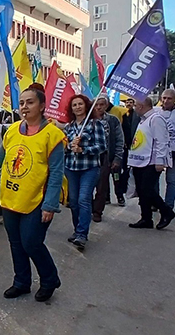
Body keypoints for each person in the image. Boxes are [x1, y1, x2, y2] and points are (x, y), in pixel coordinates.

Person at [0, 88, 63, 302]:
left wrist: (50, 204)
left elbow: (57, 172)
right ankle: (21, 282)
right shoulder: (11, 131)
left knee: (31, 242)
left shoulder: (53, 135)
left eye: (30, 102)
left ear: (41, 106)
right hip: (10, 197)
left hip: (37, 200)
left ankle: (50, 279)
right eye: (22, 103)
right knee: (16, 243)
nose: (24, 107)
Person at [63, 95, 107, 250]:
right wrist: (69, 147)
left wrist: (83, 150)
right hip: (71, 168)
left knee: (83, 200)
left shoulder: (96, 125)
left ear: (86, 106)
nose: (77, 107)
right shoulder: (68, 127)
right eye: (74, 105)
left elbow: (102, 146)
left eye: (80, 104)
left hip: (89, 168)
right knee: (73, 202)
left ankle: (82, 233)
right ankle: (77, 229)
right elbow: (64, 148)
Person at [128, 97, 175, 230]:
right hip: (140, 160)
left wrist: (160, 161)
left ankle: (166, 211)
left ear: (142, 106)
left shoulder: (156, 119)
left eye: (136, 105)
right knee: (142, 191)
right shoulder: (143, 120)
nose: (134, 108)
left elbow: (162, 141)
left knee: (147, 190)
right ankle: (146, 218)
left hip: (151, 161)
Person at [91, 95, 124, 223]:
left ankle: (98, 211)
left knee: (102, 187)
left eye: (101, 105)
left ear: (106, 106)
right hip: (89, 157)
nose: (98, 107)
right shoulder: (88, 119)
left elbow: (119, 140)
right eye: (96, 105)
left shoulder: (112, 120)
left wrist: (117, 158)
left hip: (105, 157)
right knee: (87, 187)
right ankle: (88, 208)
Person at [120, 97, 141, 201]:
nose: (128, 104)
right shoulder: (122, 114)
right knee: (124, 167)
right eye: (127, 102)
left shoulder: (136, 115)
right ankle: (124, 187)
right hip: (124, 146)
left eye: (130, 102)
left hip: (134, 145)